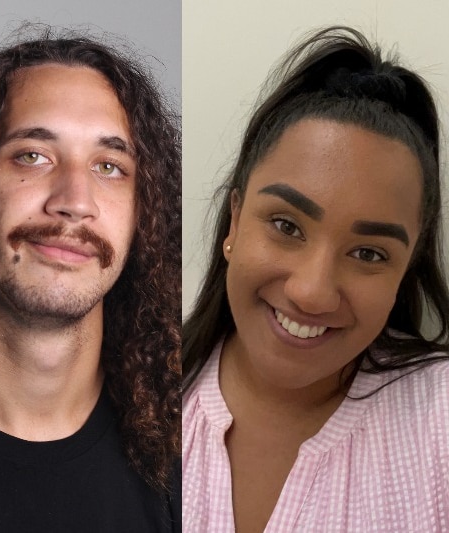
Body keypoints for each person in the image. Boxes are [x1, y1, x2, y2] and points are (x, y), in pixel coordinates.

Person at [181, 26, 449, 532]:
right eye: (286, 226)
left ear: (405, 270)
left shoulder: (439, 422)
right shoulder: (130, 399)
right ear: (235, 221)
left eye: (368, 253)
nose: (312, 291)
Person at [0, 29, 182, 532]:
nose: (75, 201)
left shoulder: (189, 458)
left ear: (143, 213)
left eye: (109, 166)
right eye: (33, 155)